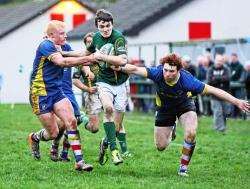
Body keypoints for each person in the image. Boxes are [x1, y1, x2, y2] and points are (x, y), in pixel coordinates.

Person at [113, 53, 250, 176]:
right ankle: (173, 126)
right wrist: (120, 67)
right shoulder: (158, 72)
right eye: (165, 70)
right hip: (165, 109)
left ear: (179, 70)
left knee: (191, 132)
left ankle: (183, 167)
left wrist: (237, 101)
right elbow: (135, 69)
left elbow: (214, 90)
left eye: (171, 71)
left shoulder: (187, 80)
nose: (167, 73)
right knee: (161, 146)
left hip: (184, 106)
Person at [28, 20, 94, 171]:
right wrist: (88, 59)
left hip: (57, 91)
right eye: (62, 33)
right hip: (40, 94)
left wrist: (94, 50)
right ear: (51, 35)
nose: (66, 36)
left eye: (66, 33)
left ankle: (79, 162)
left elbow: (80, 54)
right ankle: (34, 138)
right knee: (53, 133)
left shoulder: (64, 46)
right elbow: (62, 62)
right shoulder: (45, 45)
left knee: (71, 121)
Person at [87, 9, 132, 165]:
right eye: (101, 26)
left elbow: (123, 60)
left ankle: (105, 142)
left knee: (118, 127)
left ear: (112, 24)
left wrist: (101, 56)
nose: (105, 29)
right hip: (104, 82)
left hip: (121, 83)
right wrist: (65, 54)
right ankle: (114, 151)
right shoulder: (97, 38)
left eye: (108, 26)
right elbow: (86, 53)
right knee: (108, 109)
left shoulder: (118, 37)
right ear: (97, 27)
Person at [207, 54, 231, 133]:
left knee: (225, 112)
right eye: (218, 60)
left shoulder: (226, 69)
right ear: (215, 60)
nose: (219, 62)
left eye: (221, 61)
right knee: (218, 112)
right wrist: (221, 79)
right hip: (214, 95)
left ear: (223, 61)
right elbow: (210, 81)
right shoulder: (210, 69)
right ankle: (219, 129)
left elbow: (227, 78)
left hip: (225, 94)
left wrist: (216, 78)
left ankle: (222, 126)